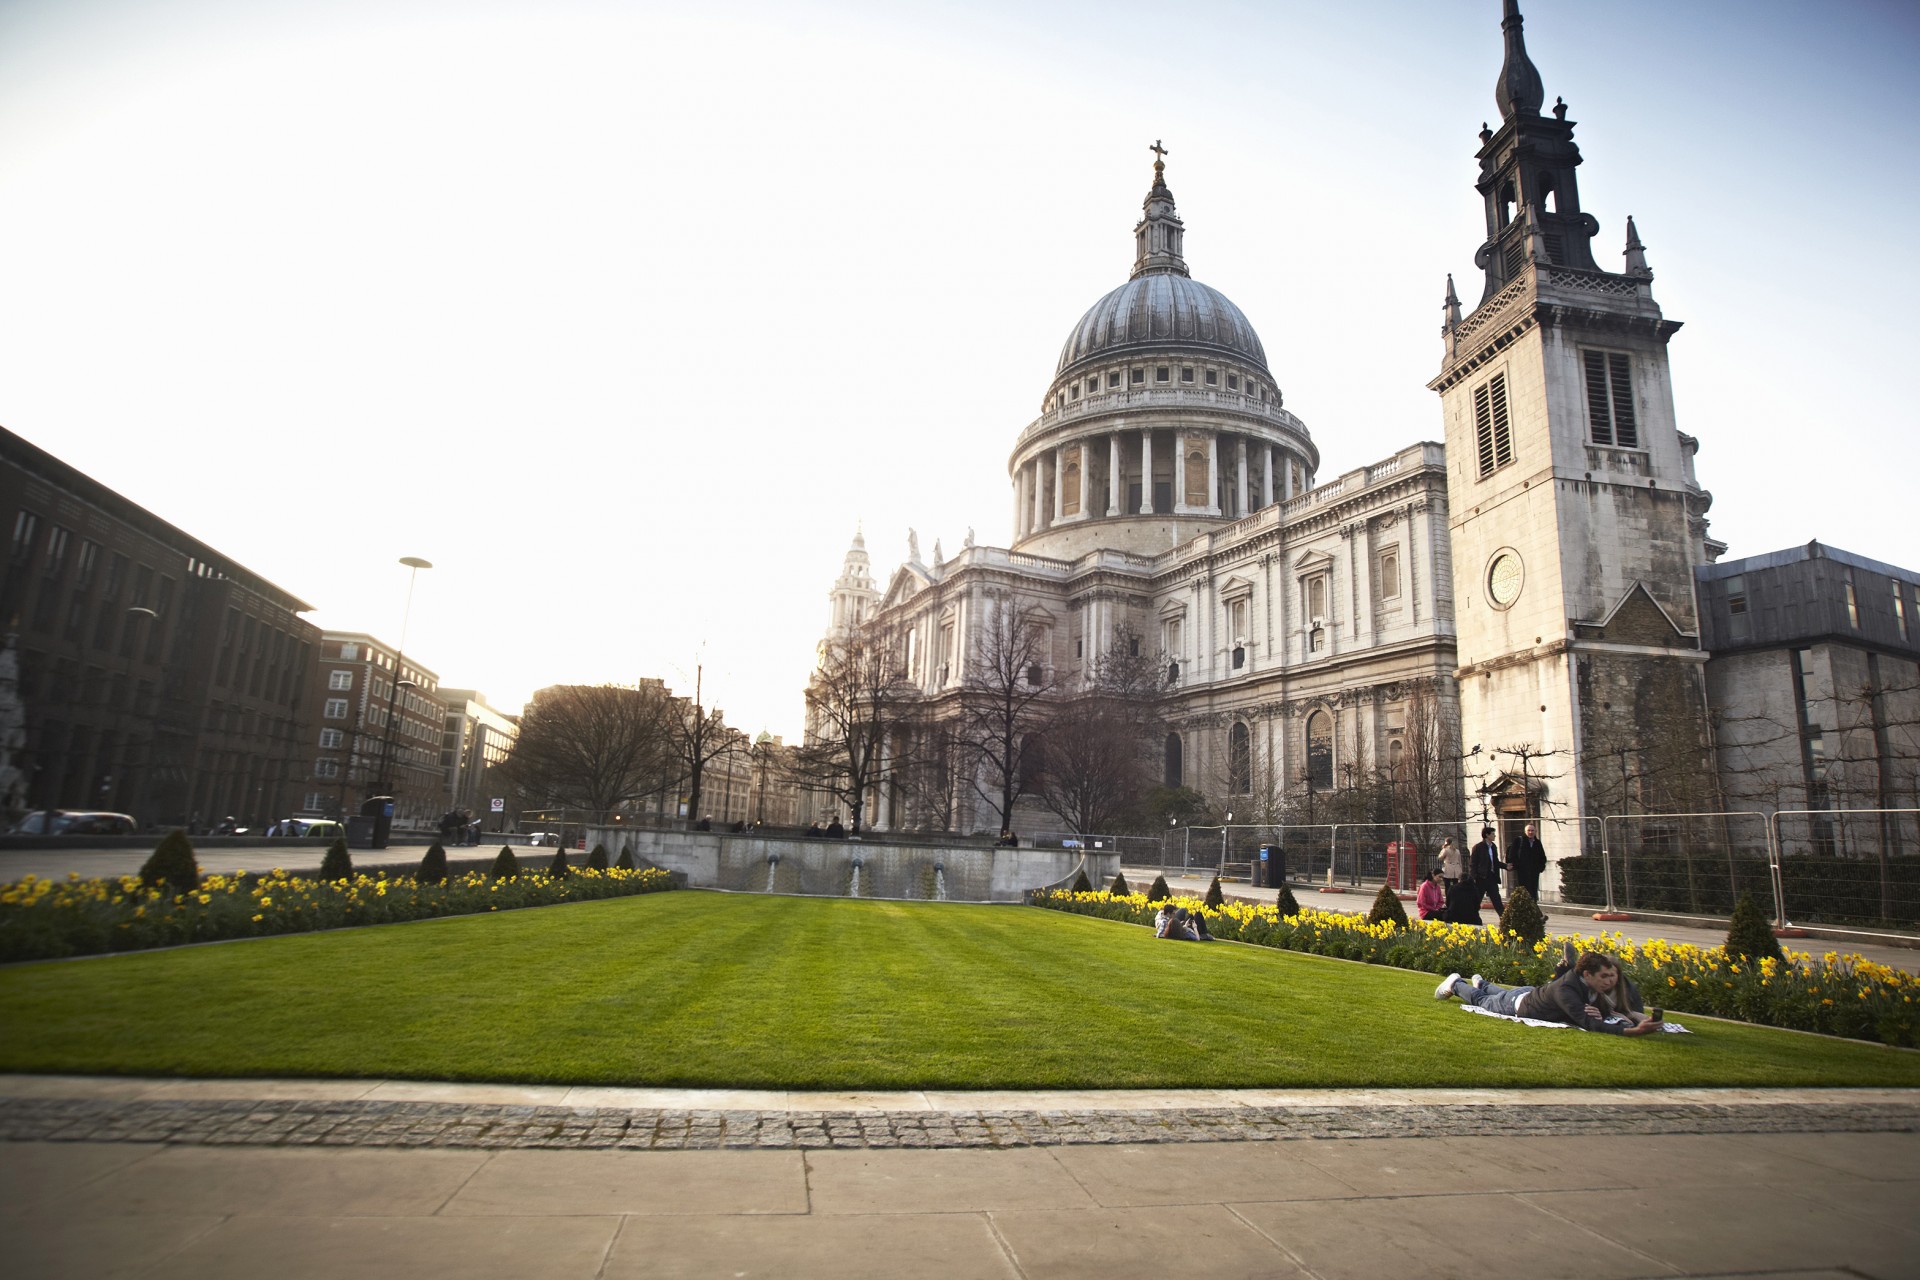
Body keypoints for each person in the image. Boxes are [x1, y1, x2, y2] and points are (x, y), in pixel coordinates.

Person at [1433, 951, 1666, 1035]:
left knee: (1497, 994)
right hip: (1519, 1004)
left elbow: (1602, 1011)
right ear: (1587, 975)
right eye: (1604, 977)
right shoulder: (1567, 989)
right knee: (1483, 1001)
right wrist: (1631, 1031)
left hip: (1531, 995)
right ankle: (1456, 983)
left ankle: (1482, 982)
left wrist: (1625, 1016)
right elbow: (1587, 1022)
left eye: (1611, 976)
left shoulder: (1589, 987)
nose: (1610, 981)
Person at [1469, 825, 1505, 920]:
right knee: (1477, 899)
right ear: (1487, 835)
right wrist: (1474, 877)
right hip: (1481, 877)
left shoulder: (1493, 847)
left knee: (1496, 899)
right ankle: (1472, 916)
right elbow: (1473, 863)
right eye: (1493, 834)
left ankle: (1504, 918)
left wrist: (1505, 866)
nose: (1495, 836)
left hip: (1492, 877)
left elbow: (1495, 861)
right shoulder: (1478, 847)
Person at [1510, 822, 1548, 898]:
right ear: (1525, 832)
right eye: (1529, 830)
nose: (1530, 832)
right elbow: (1512, 854)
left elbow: (1542, 856)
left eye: (1532, 830)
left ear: (1535, 832)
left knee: (1533, 891)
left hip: (1534, 872)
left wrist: (1540, 868)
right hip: (1522, 871)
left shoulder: (1537, 843)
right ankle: (1524, 908)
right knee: (1523, 891)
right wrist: (1517, 866)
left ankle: (1533, 907)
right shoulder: (1519, 841)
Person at [1437, 837, 1471, 922]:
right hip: (1456, 868)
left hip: (1448, 868)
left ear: (1446, 842)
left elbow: (1440, 857)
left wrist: (1443, 849)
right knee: (1456, 885)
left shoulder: (1446, 849)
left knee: (1447, 886)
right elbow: (1460, 860)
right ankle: (1456, 900)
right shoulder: (1457, 850)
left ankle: (1448, 901)